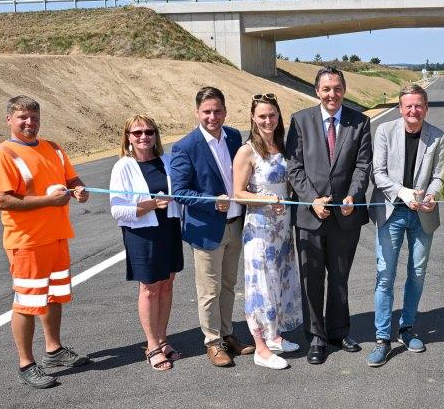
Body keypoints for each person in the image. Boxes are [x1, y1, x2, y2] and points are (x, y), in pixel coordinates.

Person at [0, 95, 92, 389]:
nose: (30, 123)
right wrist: (48, 200)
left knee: (54, 297)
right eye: (23, 118)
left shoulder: (53, 149)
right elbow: (2, 200)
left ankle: (54, 350)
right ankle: (26, 364)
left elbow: (72, 180)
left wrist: (78, 189)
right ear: (9, 120)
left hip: (57, 238)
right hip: (27, 243)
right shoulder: (1, 155)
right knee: (28, 303)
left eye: (34, 117)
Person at [286, 66, 372, 365]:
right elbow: (294, 167)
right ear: (317, 91)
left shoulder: (359, 122)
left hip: (346, 215)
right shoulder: (300, 121)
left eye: (337, 88)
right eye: (326, 89)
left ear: (344, 90)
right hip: (310, 215)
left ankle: (338, 331)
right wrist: (311, 200)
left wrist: (354, 195)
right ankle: (316, 338)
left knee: (339, 278)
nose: (332, 94)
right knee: (311, 279)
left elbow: (363, 166)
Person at [169, 86, 255, 368]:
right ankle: (212, 342)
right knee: (209, 290)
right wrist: (210, 201)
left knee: (229, 285)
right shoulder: (185, 147)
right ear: (197, 113)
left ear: (225, 111)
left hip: (235, 224)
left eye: (217, 110)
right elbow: (179, 192)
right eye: (207, 111)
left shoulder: (233, 137)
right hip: (206, 229)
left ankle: (228, 335)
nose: (212, 116)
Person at [367, 84, 444, 367]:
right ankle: (381, 338)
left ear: (426, 108)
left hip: (422, 214)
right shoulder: (385, 132)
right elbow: (378, 174)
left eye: (418, 106)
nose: (413, 111)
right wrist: (404, 194)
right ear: (400, 108)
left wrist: (431, 194)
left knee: (417, 273)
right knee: (385, 276)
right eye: (408, 106)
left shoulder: (437, 136)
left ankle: (407, 328)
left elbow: (439, 176)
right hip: (392, 212)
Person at [231, 93, 303, 370]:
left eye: (272, 115)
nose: (267, 120)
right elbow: (237, 193)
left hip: (282, 228)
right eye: (262, 116)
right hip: (259, 230)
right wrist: (265, 200)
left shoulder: (283, 146)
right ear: (253, 118)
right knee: (260, 286)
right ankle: (261, 347)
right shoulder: (247, 151)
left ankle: (274, 336)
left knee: (279, 281)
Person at [109, 115, 184, 371]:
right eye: (137, 132)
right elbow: (118, 210)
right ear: (128, 137)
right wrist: (152, 204)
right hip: (143, 233)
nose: (144, 137)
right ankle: (151, 345)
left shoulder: (168, 161)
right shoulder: (124, 166)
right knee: (150, 288)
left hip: (169, 228)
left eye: (149, 132)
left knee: (167, 284)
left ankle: (163, 339)